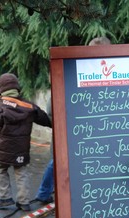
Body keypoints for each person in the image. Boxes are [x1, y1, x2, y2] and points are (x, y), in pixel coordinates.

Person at [30, 36, 113, 208]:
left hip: (99, 138)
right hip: (72, 136)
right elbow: (53, 107)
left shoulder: (114, 74)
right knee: (60, 163)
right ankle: (46, 193)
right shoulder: (73, 73)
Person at [0, 73, 51, 211]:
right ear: (17, 88)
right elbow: (46, 120)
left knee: (1, 170)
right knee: (21, 173)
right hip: (21, 148)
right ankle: (24, 202)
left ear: (0, 89)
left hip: (3, 148)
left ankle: (5, 198)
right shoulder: (29, 106)